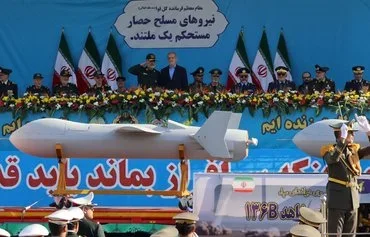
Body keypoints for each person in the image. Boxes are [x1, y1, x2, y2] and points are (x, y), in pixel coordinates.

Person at [320, 114, 370, 236]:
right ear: (341, 134)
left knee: (350, 234)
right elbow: (333, 159)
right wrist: (341, 141)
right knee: (335, 234)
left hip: (353, 199)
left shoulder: (353, 151)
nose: (353, 135)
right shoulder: (329, 150)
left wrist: (368, 132)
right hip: (337, 199)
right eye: (350, 132)